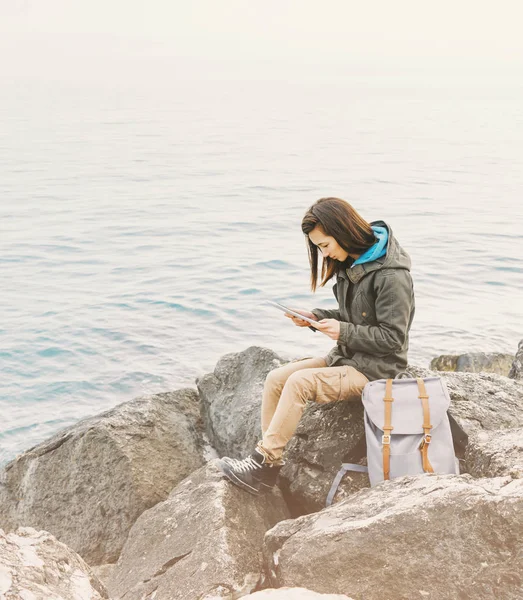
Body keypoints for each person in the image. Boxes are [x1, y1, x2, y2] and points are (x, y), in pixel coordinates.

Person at [217, 197, 416, 495]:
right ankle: (269, 467)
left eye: (324, 245)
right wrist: (316, 317)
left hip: (377, 369)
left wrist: (343, 332)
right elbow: (354, 316)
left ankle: (263, 461)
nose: (324, 254)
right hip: (346, 357)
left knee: (299, 383)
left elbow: (393, 338)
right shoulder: (353, 260)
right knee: (275, 379)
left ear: (343, 230)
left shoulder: (392, 276)